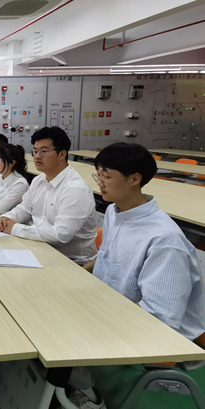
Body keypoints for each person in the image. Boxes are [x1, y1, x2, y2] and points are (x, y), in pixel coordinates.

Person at [61, 143, 205, 409]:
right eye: (97, 175)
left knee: (59, 331)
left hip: (148, 325)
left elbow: (159, 318)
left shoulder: (164, 240)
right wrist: (80, 273)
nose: (99, 183)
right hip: (111, 304)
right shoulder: (116, 212)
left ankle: (89, 397)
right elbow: (108, 255)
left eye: (106, 176)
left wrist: (94, 314)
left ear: (134, 179)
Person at [0, 127, 97, 265]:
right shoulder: (39, 180)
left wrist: (15, 228)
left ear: (62, 154)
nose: (37, 156)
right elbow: (25, 209)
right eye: (35, 151)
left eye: (43, 151)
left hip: (71, 262)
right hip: (41, 248)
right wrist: (7, 218)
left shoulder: (75, 189)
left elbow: (60, 235)